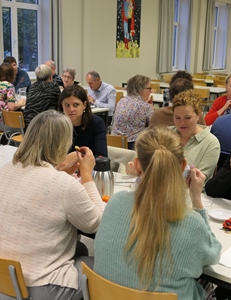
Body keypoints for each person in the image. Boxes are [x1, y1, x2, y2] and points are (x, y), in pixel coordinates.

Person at [0, 110, 105, 300]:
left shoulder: (5, 170)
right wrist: (87, 175)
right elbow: (98, 224)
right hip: (33, 289)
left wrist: (61, 171)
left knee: (79, 249)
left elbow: (38, 187)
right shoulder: (63, 185)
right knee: (106, 268)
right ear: (63, 143)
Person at [94, 126, 221, 300]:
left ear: (137, 165)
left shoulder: (115, 202)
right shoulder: (190, 222)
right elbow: (213, 255)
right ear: (183, 165)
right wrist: (196, 199)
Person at [171, 89, 220, 184]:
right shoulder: (166, 134)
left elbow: (198, 181)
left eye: (187, 118)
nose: (182, 122)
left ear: (198, 115)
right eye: (177, 118)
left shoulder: (211, 143)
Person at [58, 85, 108, 157]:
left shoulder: (96, 123)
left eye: (76, 105)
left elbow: (101, 157)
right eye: (67, 105)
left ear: (84, 105)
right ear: (62, 105)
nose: (71, 109)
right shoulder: (57, 125)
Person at [111, 75, 154, 150]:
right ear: (140, 90)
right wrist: (151, 108)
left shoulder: (121, 101)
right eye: (149, 88)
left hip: (115, 144)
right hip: (133, 146)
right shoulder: (145, 106)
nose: (151, 91)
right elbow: (153, 124)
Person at [0, 62, 26, 131]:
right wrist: (21, 103)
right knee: (28, 125)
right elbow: (11, 107)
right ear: (11, 75)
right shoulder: (9, 86)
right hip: (3, 125)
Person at [23, 64, 61, 128]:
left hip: (29, 128)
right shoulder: (53, 86)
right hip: (45, 126)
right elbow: (60, 104)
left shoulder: (32, 87)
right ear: (50, 77)